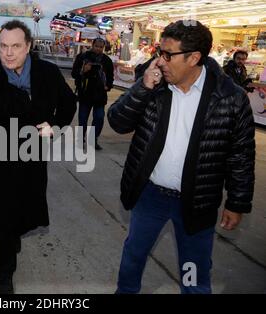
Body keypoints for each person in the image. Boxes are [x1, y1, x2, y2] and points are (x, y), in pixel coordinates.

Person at [107, 20, 255, 294]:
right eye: (158, 52)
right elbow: (117, 122)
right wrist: (143, 87)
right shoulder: (155, 86)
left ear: (194, 58)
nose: (160, 61)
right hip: (149, 196)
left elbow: (241, 155)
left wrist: (237, 202)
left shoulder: (230, 97)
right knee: (134, 256)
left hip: (198, 200)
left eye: (167, 54)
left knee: (194, 269)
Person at [0, 20, 76, 294]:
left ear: (29, 46)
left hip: (33, 154)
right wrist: (30, 103)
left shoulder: (48, 72)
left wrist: (54, 126)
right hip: (0, 153)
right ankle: (5, 271)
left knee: (25, 208)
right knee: (2, 214)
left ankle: (14, 234)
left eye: (16, 46)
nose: (8, 53)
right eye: (4, 46)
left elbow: (68, 103)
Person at [72, 38, 114, 150]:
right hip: (85, 94)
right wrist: (83, 70)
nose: (98, 49)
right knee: (83, 119)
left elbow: (110, 76)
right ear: (92, 45)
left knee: (99, 118)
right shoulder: (82, 57)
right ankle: (80, 140)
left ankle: (93, 140)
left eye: (101, 47)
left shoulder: (106, 60)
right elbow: (74, 73)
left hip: (100, 95)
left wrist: (108, 86)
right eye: (97, 46)